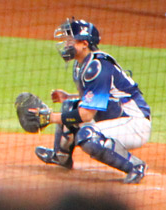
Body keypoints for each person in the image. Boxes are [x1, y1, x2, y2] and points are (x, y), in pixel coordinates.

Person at [33, 19, 150, 184]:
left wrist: (50, 117)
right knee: (69, 106)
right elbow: (96, 98)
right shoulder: (82, 64)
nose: (65, 45)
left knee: (88, 136)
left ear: (84, 44)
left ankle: (135, 166)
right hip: (116, 114)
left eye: (70, 41)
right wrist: (68, 97)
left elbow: (87, 115)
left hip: (134, 124)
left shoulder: (98, 67)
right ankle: (61, 156)